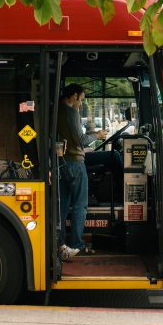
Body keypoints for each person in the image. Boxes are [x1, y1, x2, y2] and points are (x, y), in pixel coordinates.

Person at [57, 84, 100, 260]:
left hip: (61, 162)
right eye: (81, 99)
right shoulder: (70, 112)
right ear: (74, 96)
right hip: (75, 163)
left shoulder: (56, 111)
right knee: (79, 206)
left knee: (62, 205)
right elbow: (80, 140)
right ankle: (76, 244)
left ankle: (60, 244)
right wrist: (97, 136)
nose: (80, 104)